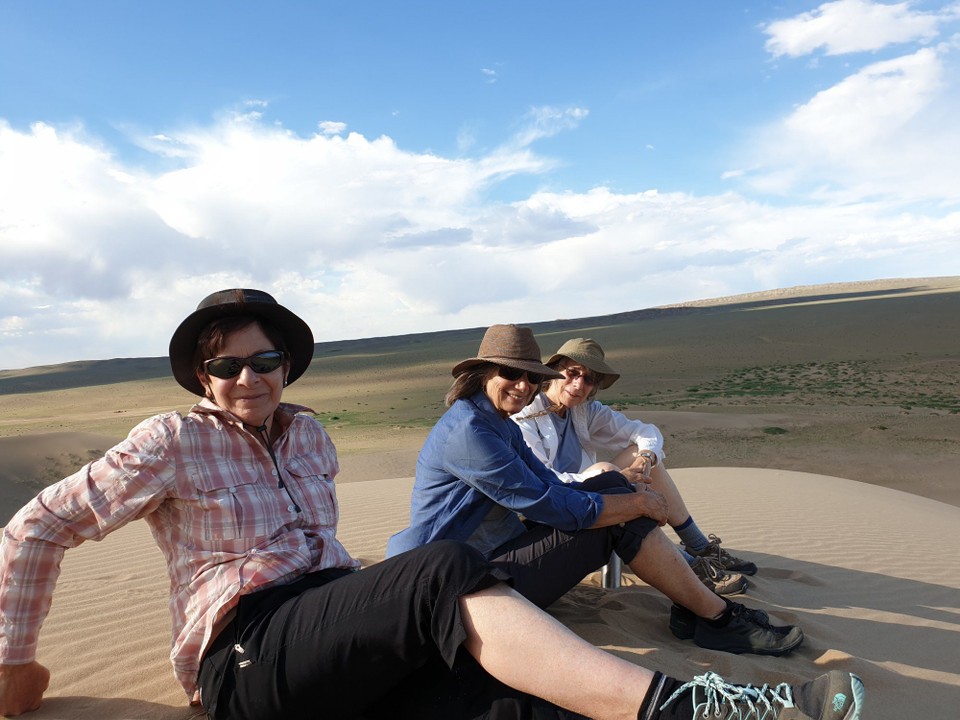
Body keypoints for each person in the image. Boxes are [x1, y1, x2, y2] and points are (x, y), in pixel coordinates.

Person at [0, 294, 864, 720]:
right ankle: (689, 705)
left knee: (518, 703)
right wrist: (14, 665)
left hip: (342, 629)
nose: (247, 379)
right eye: (225, 366)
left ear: (287, 367)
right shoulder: (169, 441)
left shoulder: (309, 437)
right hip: (247, 659)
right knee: (445, 568)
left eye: (264, 361)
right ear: (200, 376)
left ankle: (734, 686)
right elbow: (36, 526)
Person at [387, 324, 804, 658]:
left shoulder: (495, 421)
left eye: (531, 376)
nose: (524, 385)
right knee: (613, 517)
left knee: (608, 487)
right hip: (456, 586)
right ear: (482, 374)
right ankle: (715, 617)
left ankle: (694, 603)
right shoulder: (471, 433)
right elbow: (545, 503)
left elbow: (546, 482)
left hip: (487, 558)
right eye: (512, 373)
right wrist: (633, 503)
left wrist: (622, 496)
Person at [513, 337, 756, 597]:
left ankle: (700, 547)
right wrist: (614, 478)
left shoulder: (585, 411)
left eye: (589, 379)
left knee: (644, 458)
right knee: (606, 472)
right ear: (555, 371)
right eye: (572, 373)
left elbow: (645, 431)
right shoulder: (524, 415)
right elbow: (544, 480)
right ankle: (692, 569)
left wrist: (646, 457)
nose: (578, 384)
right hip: (548, 511)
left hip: (588, 502)